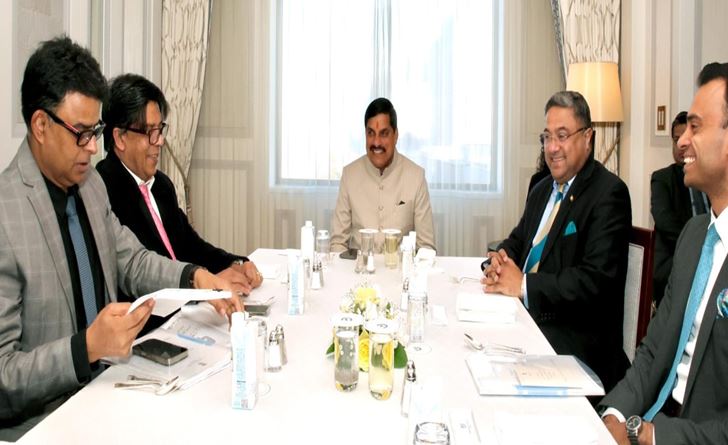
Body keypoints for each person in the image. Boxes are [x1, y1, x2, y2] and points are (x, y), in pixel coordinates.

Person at [0, 37, 239, 440]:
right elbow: (4, 377)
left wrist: (195, 277)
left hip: (110, 390)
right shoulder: (6, 215)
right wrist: (86, 347)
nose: (94, 147)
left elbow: (131, 260)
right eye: (81, 133)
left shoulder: (90, 186)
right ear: (40, 125)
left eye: (95, 131)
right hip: (49, 423)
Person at [599, 62, 728, 445]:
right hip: (649, 419)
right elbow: (654, 349)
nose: (682, 141)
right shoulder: (694, 236)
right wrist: (613, 414)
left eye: (695, 127)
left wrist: (649, 435)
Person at [481, 91, 631, 393]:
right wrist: (499, 259)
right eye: (546, 137)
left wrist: (523, 285)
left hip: (576, 343)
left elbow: (595, 282)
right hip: (527, 321)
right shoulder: (542, 188)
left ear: (587, 138)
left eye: (562, 136)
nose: (552, 148)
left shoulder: (608, 193)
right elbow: (518, 241)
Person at [96, 73, 263, 302]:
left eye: (160, 130)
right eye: (150, 132)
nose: (160, 141)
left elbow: (191, 246)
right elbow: (141, 276)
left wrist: (235, 263)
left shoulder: (161, 185)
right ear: (120, 137)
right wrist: (201, 286)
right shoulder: (103, 191)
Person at [330, 97, 435, 253]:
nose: (376, 142)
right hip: (359, 266)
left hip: (400, 267)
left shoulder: (416, 177)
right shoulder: (349, 175)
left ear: (396, 135)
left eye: (384, 133)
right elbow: (338, 244)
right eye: (371, 133)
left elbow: (426, 247)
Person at [651, 111, 709, 306]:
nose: (681, 145)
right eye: (676, 139)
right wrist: (700, 248)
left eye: (687, 137)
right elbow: (665, 222)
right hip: (674, 260)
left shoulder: (708, 177)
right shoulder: (662, 178)